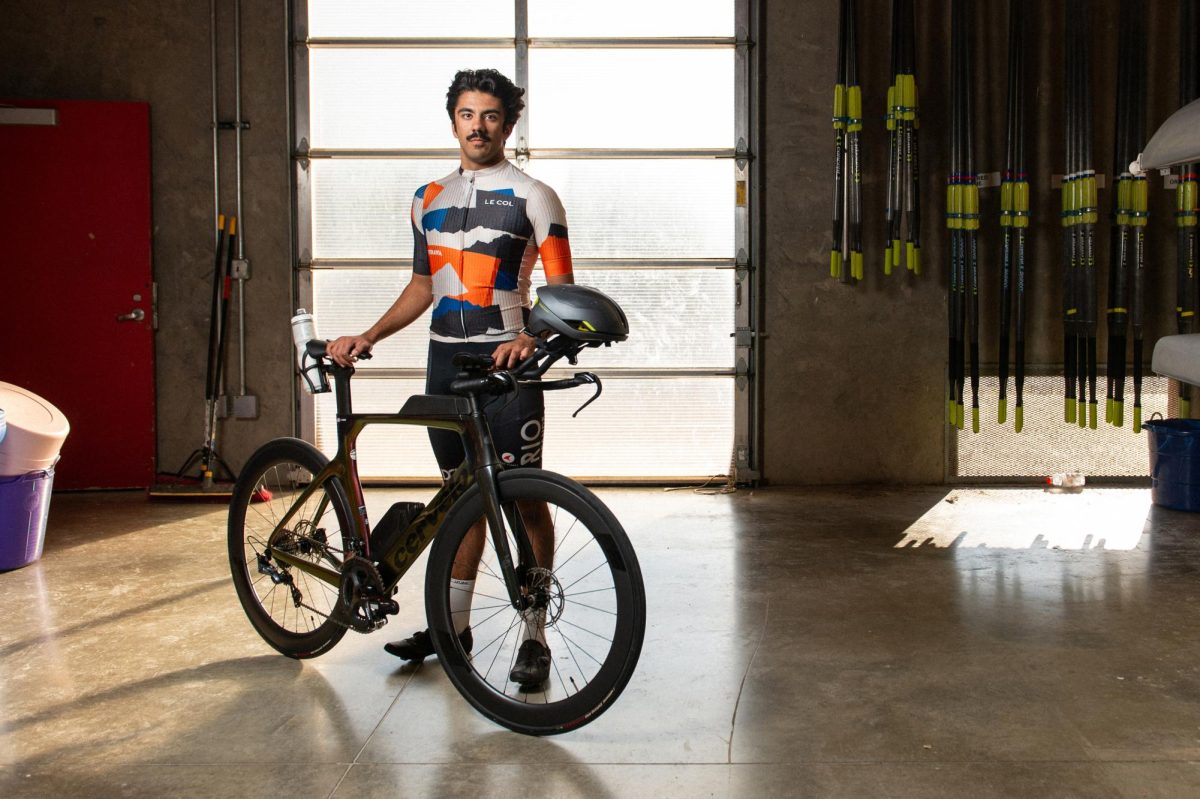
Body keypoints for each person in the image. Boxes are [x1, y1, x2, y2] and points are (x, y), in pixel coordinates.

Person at [327, 68, 573, 687]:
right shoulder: (426, 198)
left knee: (523, 498)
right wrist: (370, 335)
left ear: (509, 124)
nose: (478, 126)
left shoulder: (534, 196)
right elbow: (422, 286)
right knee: (460, 498)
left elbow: (562, 291)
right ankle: (453, 629)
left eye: (490, 115)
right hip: (445, 364)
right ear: (454, 120)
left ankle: (535, 634)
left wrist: (531, 335)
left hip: (506, 365)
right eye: (468, 114)